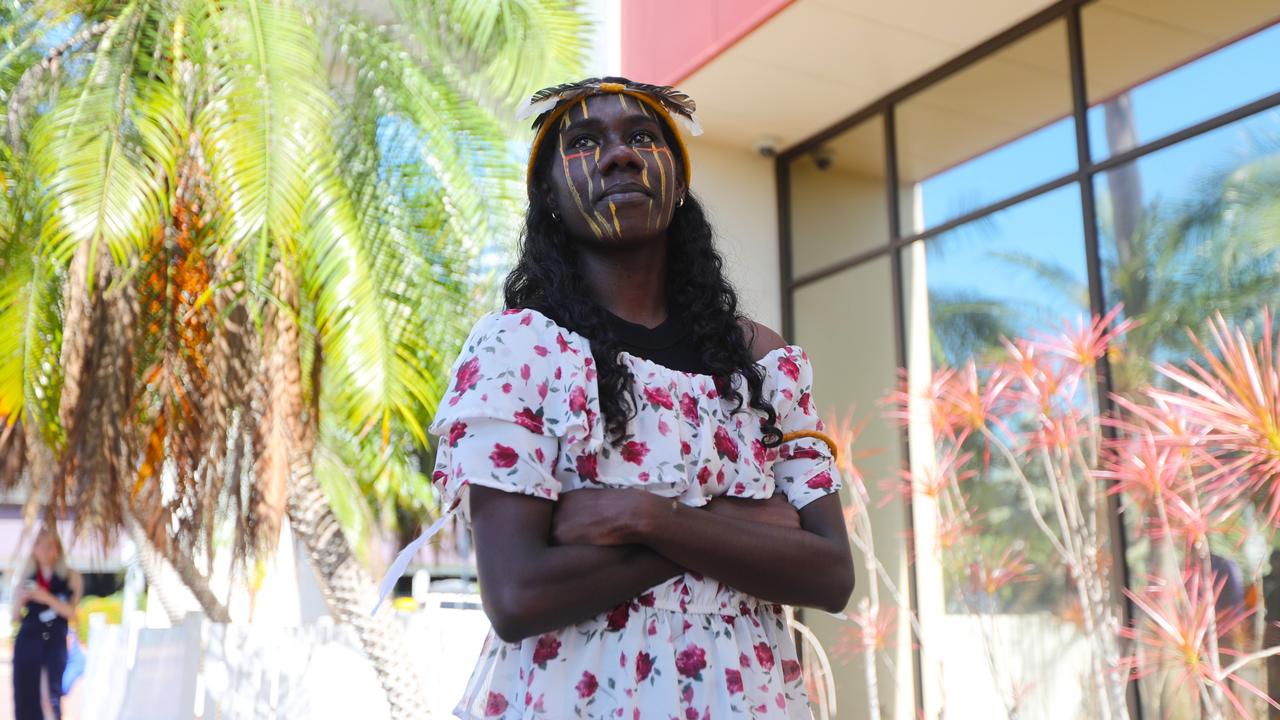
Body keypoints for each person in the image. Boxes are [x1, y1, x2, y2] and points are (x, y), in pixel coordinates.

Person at [428, 77, 854, 719]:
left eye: (642, 137)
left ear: (678, 182)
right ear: (547, 193)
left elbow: (829, 574)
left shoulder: (762, 364)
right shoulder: (518, 352)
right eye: (584, 141)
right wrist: (733, 525)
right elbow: (517, 596)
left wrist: (645, 517)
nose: (619, 155)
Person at [11, 525, 82, 720]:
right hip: (28, 642)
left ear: (57, 549)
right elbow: (15, 617)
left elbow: (71, 612)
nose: (44, 550)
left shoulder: (69, 578)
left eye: (49, 546)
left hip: (54, 644)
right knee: (26, 697)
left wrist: (46, 597)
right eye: (40, 546)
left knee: (50, 698)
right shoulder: (25, 577)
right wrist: (20, 600)